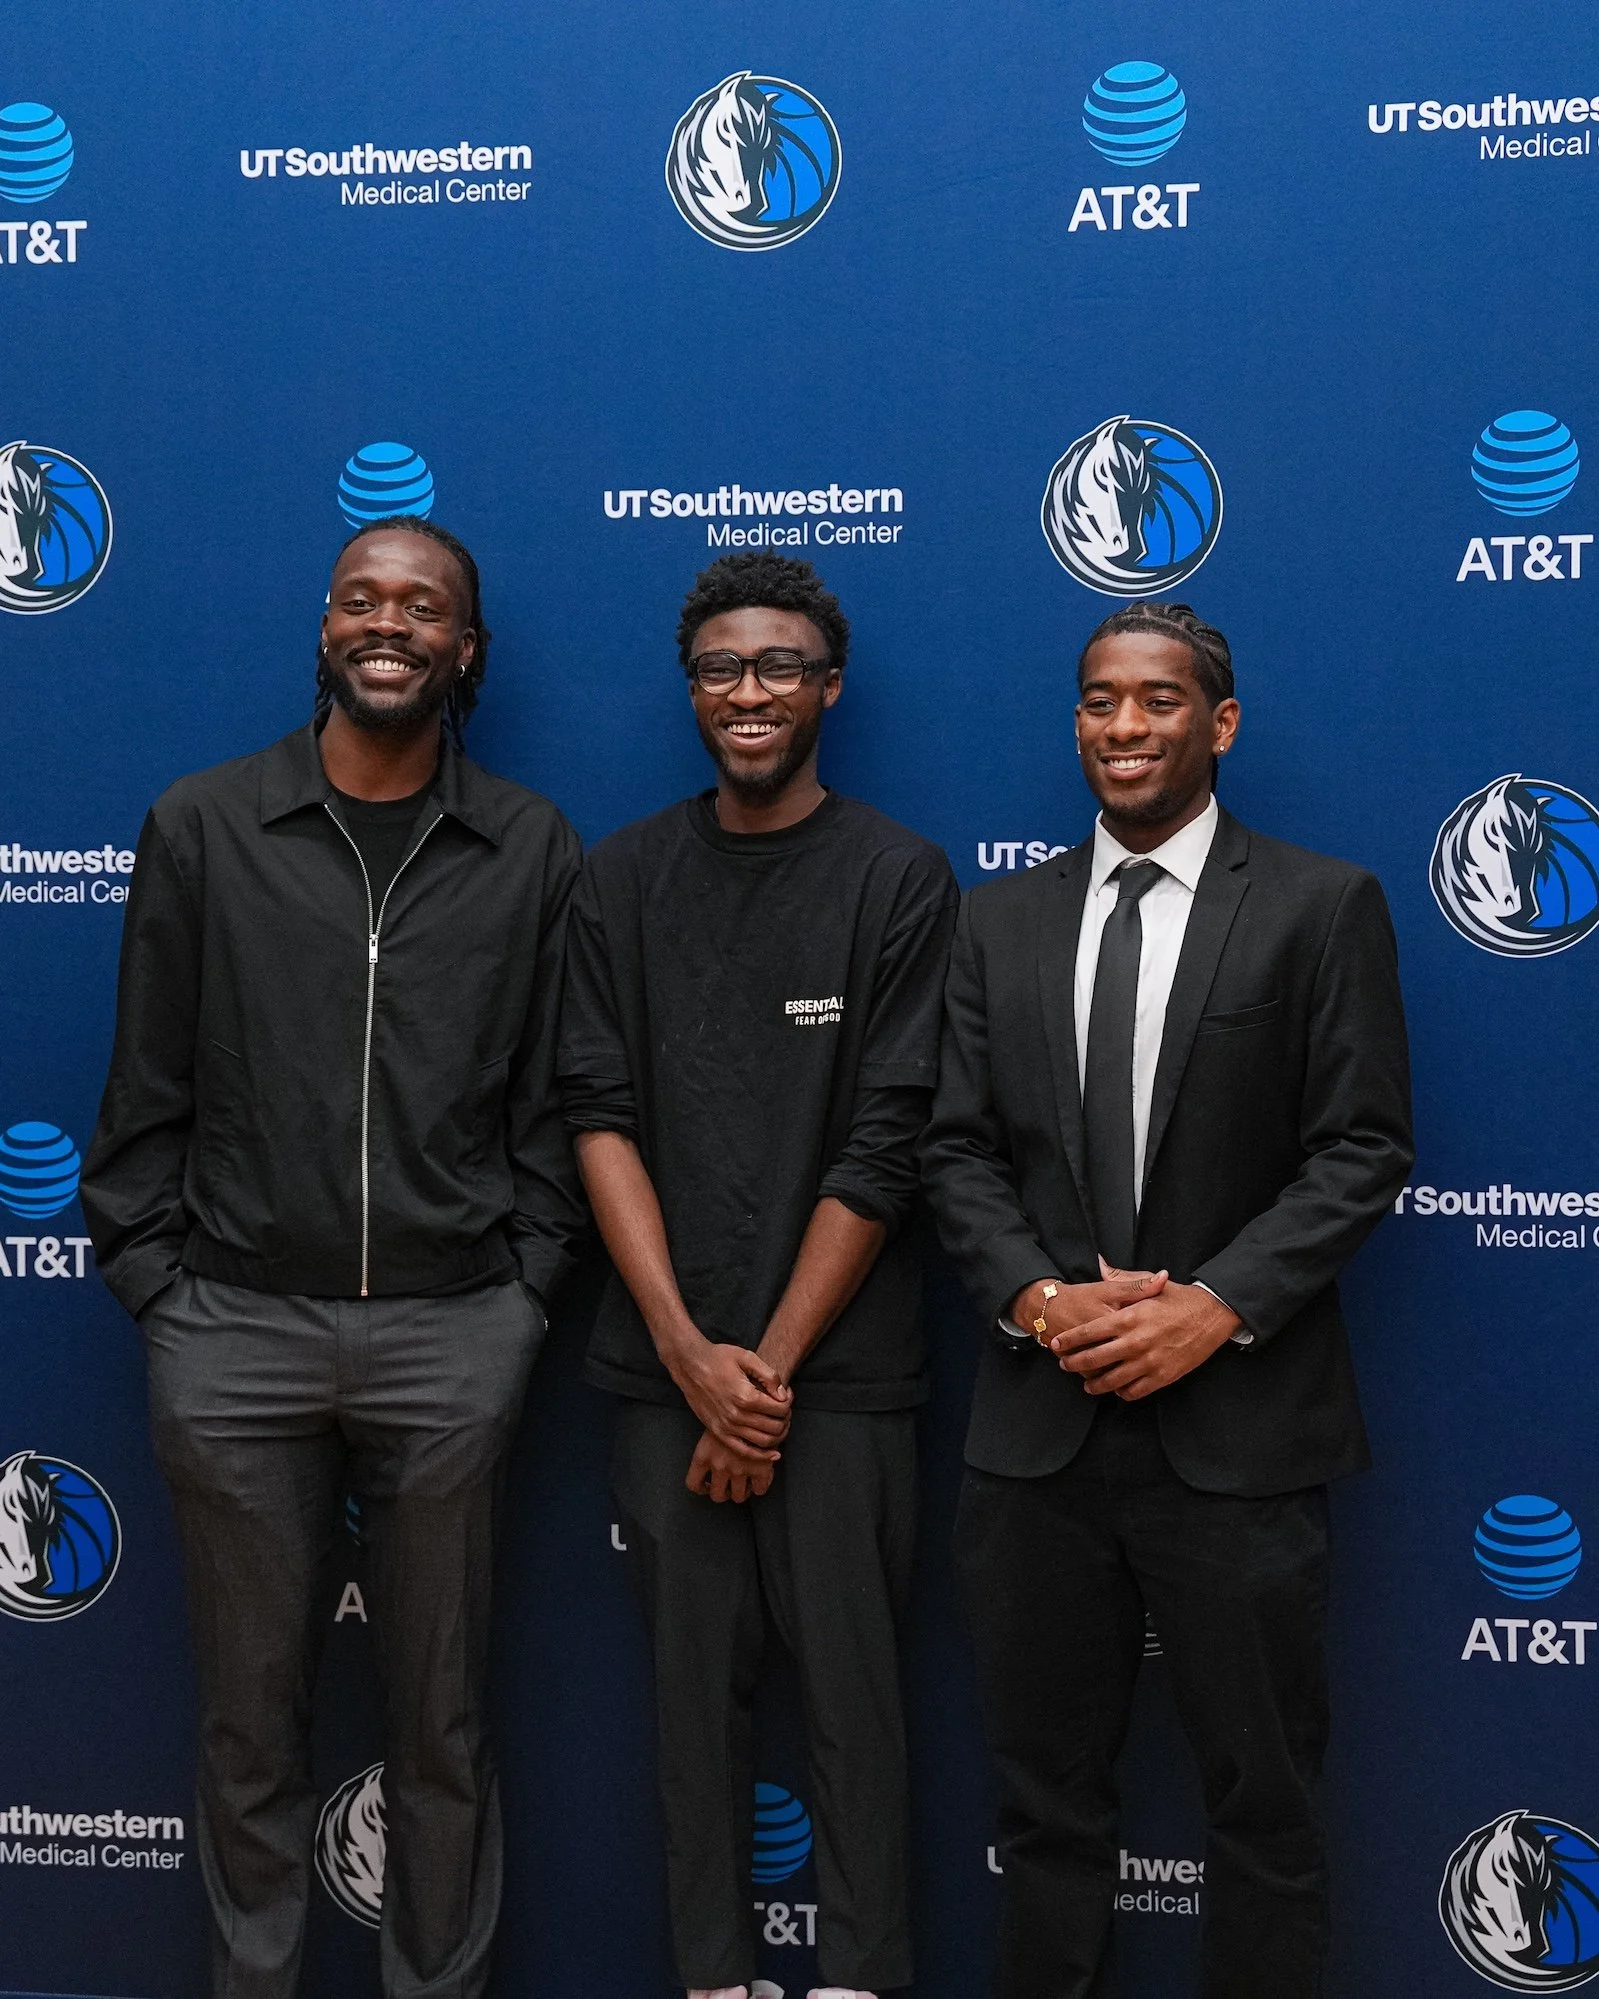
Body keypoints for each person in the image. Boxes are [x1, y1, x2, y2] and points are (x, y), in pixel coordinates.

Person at [80, 517, 585, 1999]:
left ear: (464, 649)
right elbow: (144, 1088)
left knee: (442, 1725)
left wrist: (520, 1296)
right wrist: (165, 1291)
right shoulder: (205, 825)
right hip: (234, 1332)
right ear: (324, 627)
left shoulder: (528, 846)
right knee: (250, 1726)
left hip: (452, 1333)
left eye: (422, 608)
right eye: (363, 599)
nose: (389, 624)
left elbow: (558, 1104)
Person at [921, 602, 1413, 1999]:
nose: (1123, 726)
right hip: (1041, 1434)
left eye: (1156, 699)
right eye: (1099, 700)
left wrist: (1213, 1305)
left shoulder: (1320, 905)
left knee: (1264, 1803)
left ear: (1220, 721)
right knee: (1044, 1805)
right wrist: (1035, 1297)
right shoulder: (997, 919)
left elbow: (1362, 1145)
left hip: (1241, 1433)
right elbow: (952, 1147)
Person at [559, 552, 957, 1999]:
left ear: (827, 689)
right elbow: (595, 1113)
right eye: (721, 667)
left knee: (858, 1709)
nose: (749, 691)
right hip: (666, 1375)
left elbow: (887, 1146)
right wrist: (689, 1357)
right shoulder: (618, 877)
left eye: (779, 666)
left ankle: (857, 1977)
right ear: (691, 690)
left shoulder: (899, 879)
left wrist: (763, 1377)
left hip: (835, 1384)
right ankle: (714, 1979)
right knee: (689, 1713)